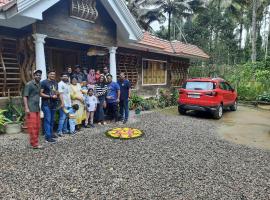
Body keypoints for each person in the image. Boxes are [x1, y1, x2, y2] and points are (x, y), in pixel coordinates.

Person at [23, 70, 43, 149]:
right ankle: (35, 144)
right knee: (33, 127)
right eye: (37, 75)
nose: (39, 76)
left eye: (40, 75)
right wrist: (26, 108)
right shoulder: (29, 84)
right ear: (34, 76)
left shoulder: (39, 84)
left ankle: (33, 143)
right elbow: (25, 96)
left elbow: (39, 94)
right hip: (31, 108)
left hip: (37, 108)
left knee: (37, 126)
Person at [40, 70, 58, 143]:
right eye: (51, 74)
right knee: (47, 120)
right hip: (46, 104)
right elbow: (40, 93)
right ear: (48, 74)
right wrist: (50, 96)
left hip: (53, 104)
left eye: (54, 74)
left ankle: (50, 133)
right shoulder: (44, 82)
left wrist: (57, 95)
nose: (53, 75)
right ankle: (48, 137)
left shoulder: (55, 82)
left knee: (52, 120)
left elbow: (56, 92)